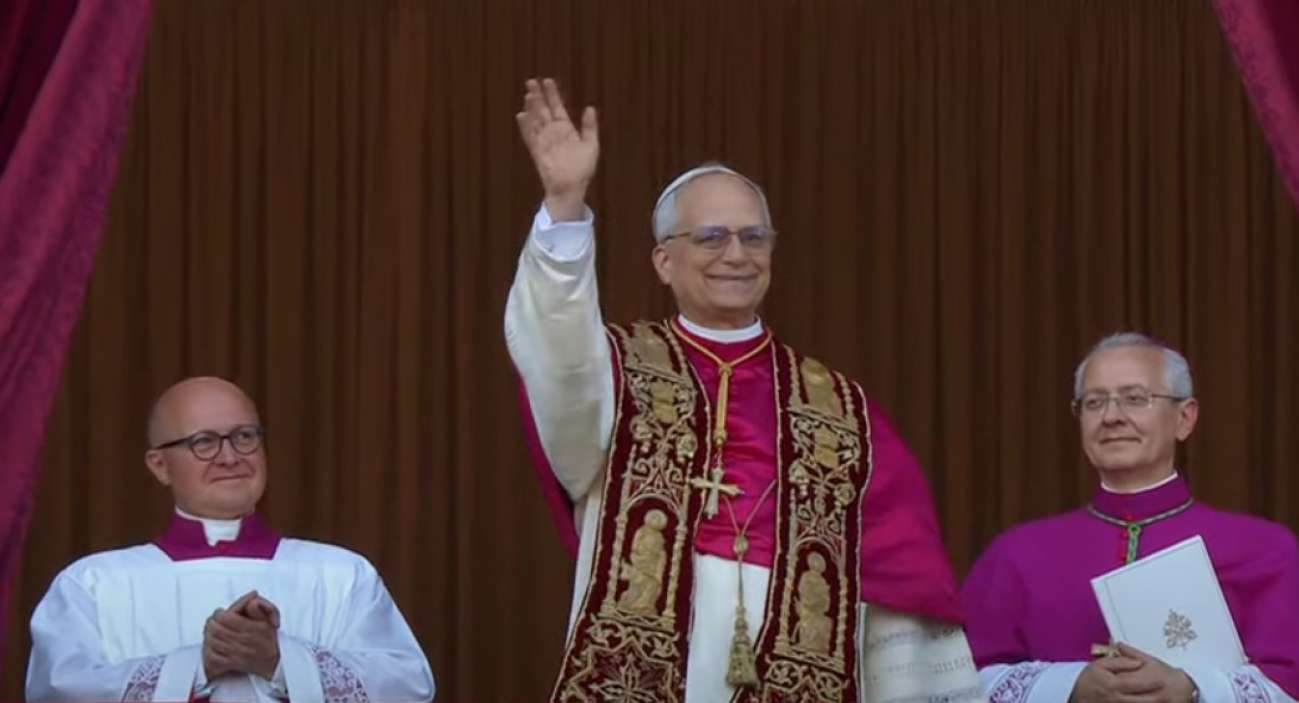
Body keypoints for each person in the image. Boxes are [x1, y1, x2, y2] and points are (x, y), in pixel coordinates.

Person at [506, 77, 981, 703]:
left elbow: (905, 571)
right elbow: (557, 356)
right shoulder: (616, 368)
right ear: (664, 261)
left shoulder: (840, 408)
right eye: (711, 237)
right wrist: (565, 205)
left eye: (754, 237)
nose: (737, 254)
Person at [26, 377, 435, 702]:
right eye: (203, 442)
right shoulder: (93, 584)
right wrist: (197, 666)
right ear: (160, 465)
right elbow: (58, 690)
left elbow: (408, 687)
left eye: (244, 436)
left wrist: (279, 661)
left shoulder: (342, 574)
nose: (229, 456)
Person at [961, 333, 1299, 703]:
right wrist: (1069, 685)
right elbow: (956, 683)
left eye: (1135, 399)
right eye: (1094, 402)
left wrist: (1192, 687)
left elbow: (1290, 682)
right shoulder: (1016, 554)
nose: (1111, 417)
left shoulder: (1266, 550)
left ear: (1184, 418)